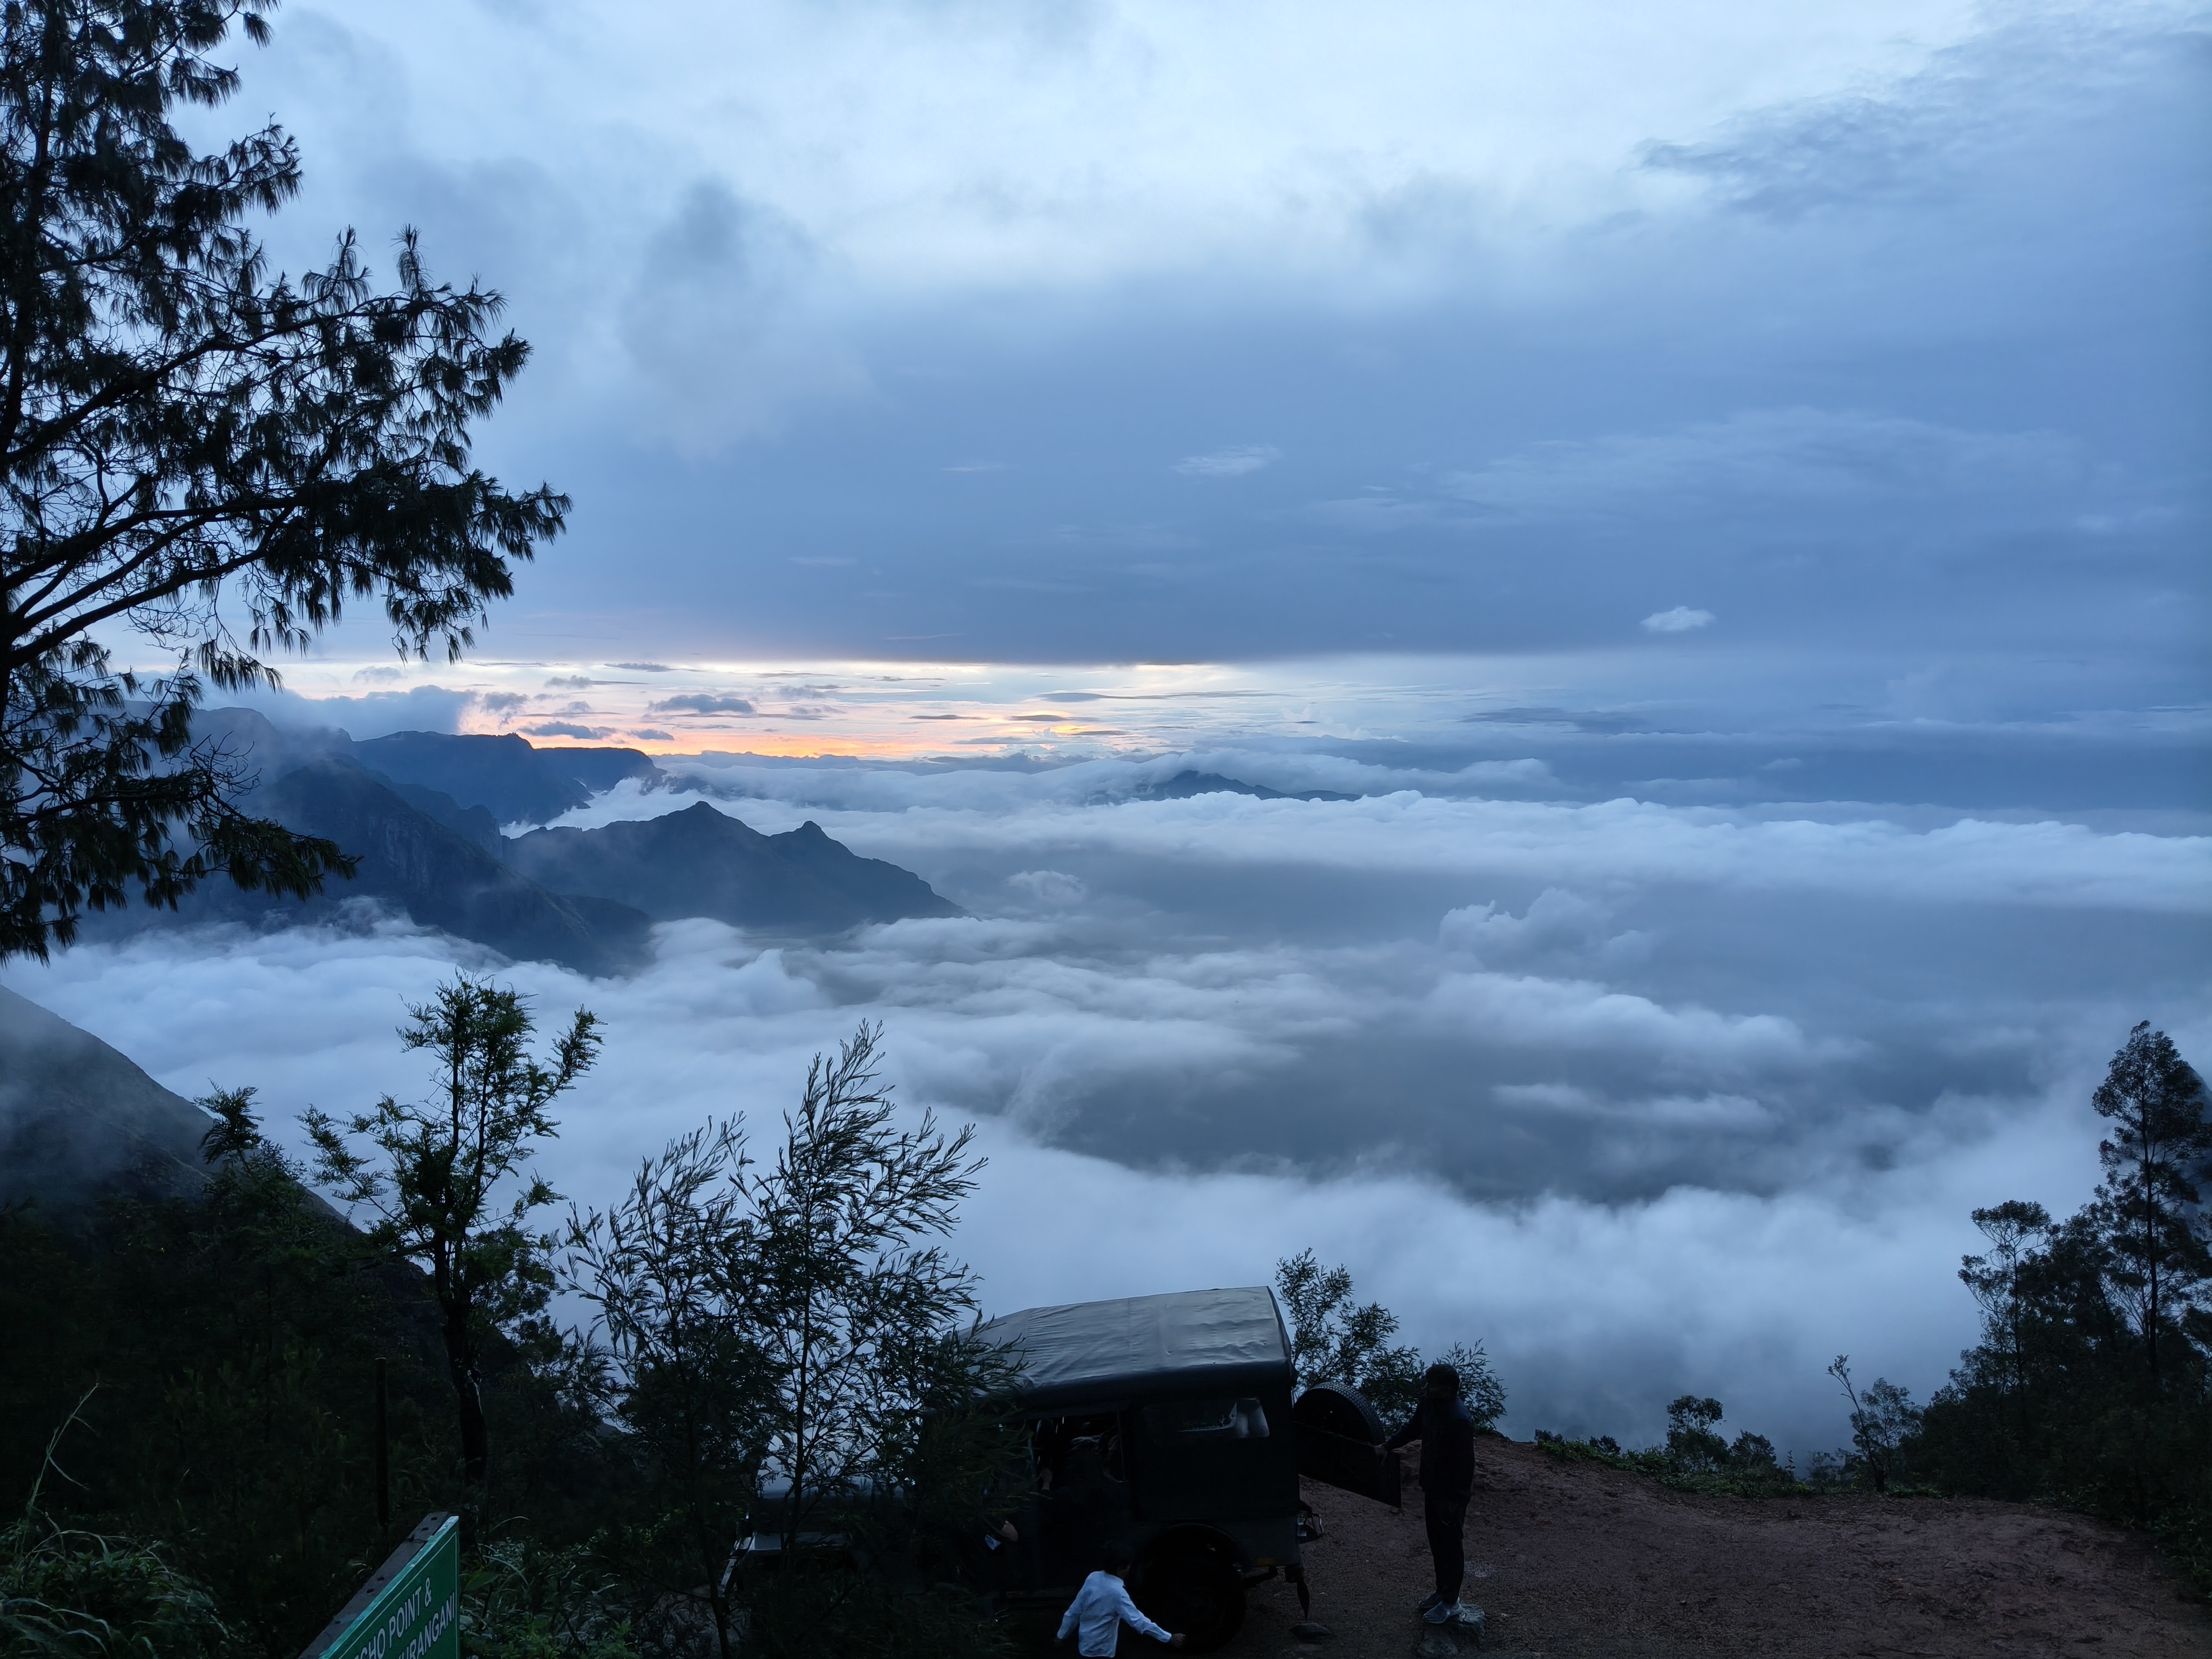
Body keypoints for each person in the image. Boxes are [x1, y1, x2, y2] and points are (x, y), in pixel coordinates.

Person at [1387, 1362, 1478, 1625]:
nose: (1427, 1387)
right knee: (1437, 1543)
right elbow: (1414, 1427)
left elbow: (1465, 1466)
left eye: (1433, 1384)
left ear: (1448, 1390)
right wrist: (1387, 1447)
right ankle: (1442, 1591)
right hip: (1433, 1487)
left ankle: (1452, 1602)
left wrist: (1456, 1501)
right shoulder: (1429, 1403)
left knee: (1451, 1545)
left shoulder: (1459, 1420)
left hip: (1450, 1496)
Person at [1057, 1541, 1186, 1655]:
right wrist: (1169, 1637)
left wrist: (1061, 1636)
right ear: (1121, 1570)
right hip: (1102, 1651)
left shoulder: (1093, 1578)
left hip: (1086, 1646)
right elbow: (1139, 1621)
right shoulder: (1118, 1593)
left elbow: (1073, 1612)